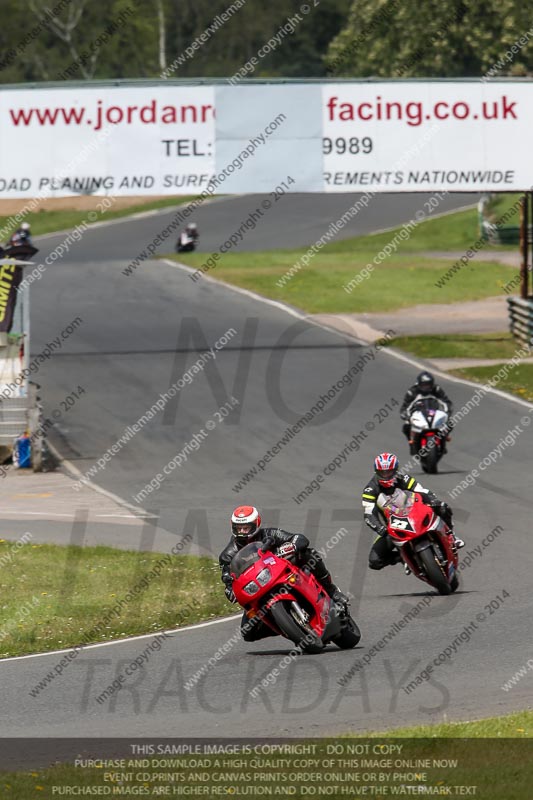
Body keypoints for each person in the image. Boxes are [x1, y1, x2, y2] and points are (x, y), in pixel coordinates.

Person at [219, 505, 349, 642]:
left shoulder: (269, 534)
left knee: (308, 554)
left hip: (280, 572)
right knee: (247, 632)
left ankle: (331, 590)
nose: (242, 531)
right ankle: (284, 625)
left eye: (246, 527)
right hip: (258, 586)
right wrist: (229, 588)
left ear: (256, 524)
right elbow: (227, 576)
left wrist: (291, 546)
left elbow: (300, 538)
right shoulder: (227, 555)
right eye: (238, 528)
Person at [362, 453, 464, 572]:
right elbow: (369, 514)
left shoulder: (403, 478)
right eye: (382, 472)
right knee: (374, 561)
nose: (386, 476)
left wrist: (434, 501)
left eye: (389, 472)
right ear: (377, 471)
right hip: (393, 527)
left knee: (443, 507)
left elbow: (421, 490)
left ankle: (452, 536)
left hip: (415, 513)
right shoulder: (370, 490)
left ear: (395, 470)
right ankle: (403, 557)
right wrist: (380, 529)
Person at [400, 371, 453, 454]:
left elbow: (446, 401)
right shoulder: (412, 392)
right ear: (419, 384)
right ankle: (411, 443)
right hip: (417, 414)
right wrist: (406, 415)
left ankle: (444, 441)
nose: (426, 388)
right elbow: (405, 407)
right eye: (424, 385)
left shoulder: (436, 389)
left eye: (428, 385)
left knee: (449, 423)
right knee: (406, 426)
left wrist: (447, 412)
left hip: (434, 413)